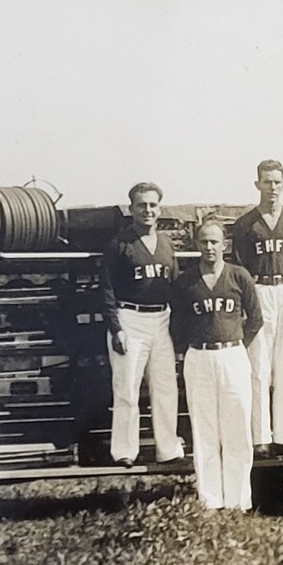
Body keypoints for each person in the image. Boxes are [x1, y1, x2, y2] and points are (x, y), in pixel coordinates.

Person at [170, 218, 263, 511]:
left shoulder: (239, 276)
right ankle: (210, 501)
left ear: (224, 244)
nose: (209, 247)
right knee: (205, 430)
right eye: (203, 242)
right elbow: (177, 324)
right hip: (199, 357)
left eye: (214, 241)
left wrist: (235, 343)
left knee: (237, 430)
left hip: (233, 356)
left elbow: (256, 318)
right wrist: (190, 349)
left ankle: (238, 501)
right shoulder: (185, 281)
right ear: (197, 245)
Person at [100, 181, 185, 467]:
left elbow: (175, 285)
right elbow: (107, 289)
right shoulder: (119, 244)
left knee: (165, 387)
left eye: (152, 205)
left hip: (162, 319)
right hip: (130, 319)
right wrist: (116, 328)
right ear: (131, 209)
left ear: (159, 209)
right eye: (141, 205)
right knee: (127, 388)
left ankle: (168, 448)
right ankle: (124, 451)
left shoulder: (165, 244)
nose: (147, 210)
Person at [230, 159, 283, 458]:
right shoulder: (246, 223)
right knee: (258, 366)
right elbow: (238, 266)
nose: (272, 187)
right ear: (257, 185)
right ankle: (260, 436)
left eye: (277, 182)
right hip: (259, 290)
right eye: (266, 181)